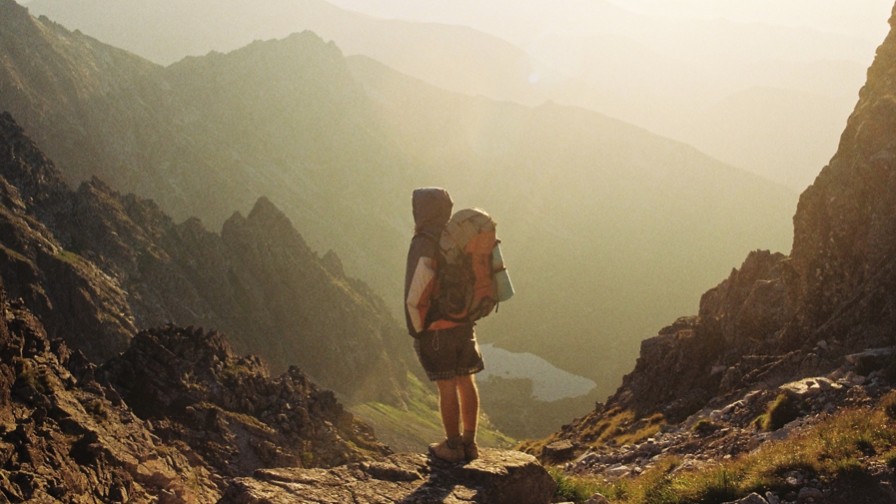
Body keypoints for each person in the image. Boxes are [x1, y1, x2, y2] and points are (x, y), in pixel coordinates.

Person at [404, 187, 484, 463]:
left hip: (437, 328)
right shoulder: (458, 238)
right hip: (464, 323)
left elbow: (416, 291)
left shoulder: (424, 241)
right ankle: (470, 443)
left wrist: (417, 330)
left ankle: (451, 446)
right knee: (466, 379)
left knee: (447, 386)